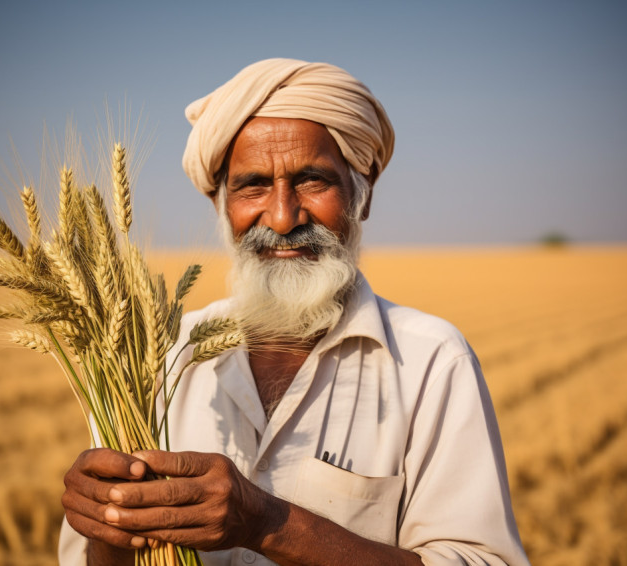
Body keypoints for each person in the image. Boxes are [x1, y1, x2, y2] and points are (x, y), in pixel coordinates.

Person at [59, 58, 530, 566]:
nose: (283, 217)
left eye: (312, 180)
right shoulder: (151, 360)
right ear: (221, 205)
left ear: (361, 196)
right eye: (253, 185)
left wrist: (268, 523)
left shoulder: (431, 361)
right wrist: (110, 526)